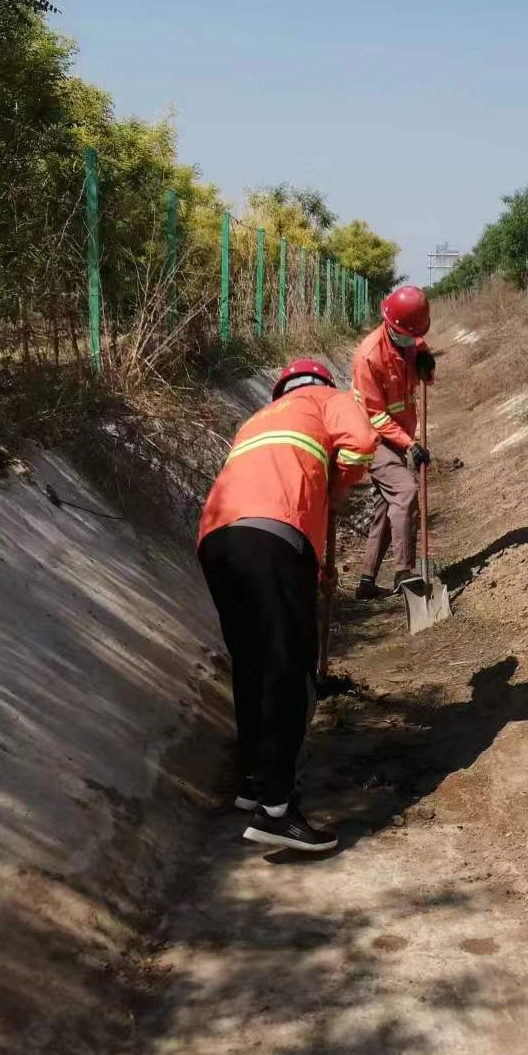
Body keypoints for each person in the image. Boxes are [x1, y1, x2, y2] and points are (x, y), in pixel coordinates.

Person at [197, 358, 377, 852]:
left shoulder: (258, 418)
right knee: (286, 667)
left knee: (252, 665)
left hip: (217, 538)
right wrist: (340, 488)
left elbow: (277, 480)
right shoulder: (326, 400)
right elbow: (362, 442)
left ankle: (255, 782)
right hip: (273, 534)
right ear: (320, 383)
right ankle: (277, 808)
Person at [353, 285, 438, 599]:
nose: (410, 341)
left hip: (397, 434)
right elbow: (375, 415)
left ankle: (366, 580)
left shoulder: (409, 338)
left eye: (413, 336)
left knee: (387, 504)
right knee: (405, 492)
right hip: (372, 436)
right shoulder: (369, 356)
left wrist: (426, 362)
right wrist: (409, 444)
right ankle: (404, 570)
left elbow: (418, 350)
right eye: (404, 335)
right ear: (390, 323)